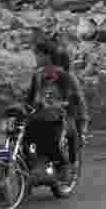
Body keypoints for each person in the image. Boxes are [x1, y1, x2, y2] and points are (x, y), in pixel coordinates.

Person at [25, 34, 89, 182]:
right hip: (43, 116)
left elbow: (76, 100)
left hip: (61, 117)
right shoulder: (38, 75)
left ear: (48, 56)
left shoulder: (65, 77)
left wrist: (83, 123)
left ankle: (65, 167)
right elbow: (30, 98)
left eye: (38, 54)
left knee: (56, 135)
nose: (35, 57)